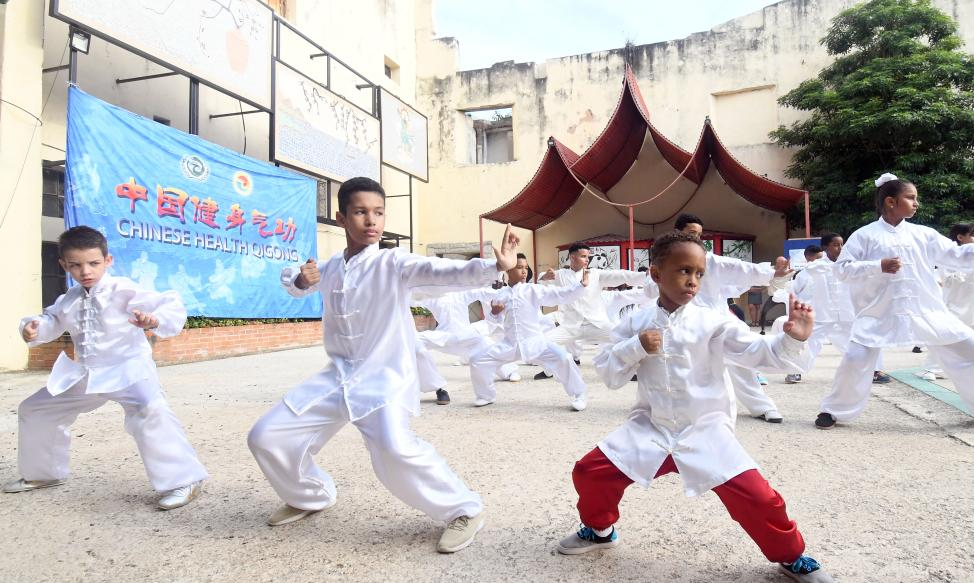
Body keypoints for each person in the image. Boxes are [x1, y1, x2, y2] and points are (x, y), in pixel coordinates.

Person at [246, 177, 520, 553]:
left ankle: (464, 509)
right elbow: (296, 284)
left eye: (378, 213)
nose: (371, 221)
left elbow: (442, 271)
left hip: (383, 379)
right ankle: (309, 495)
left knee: (394, 450)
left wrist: (494, 267)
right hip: (337, 377)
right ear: (341, 218)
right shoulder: (328, 268)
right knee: (266, 435)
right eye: (361, 212)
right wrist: (299, 277)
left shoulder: (393, 263)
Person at [557, 231, 833, 583]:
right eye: (683, 271)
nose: (692, 281)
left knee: (761, 499)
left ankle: (791, 556)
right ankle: (599, 530)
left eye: (699, 273)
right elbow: (608, 372)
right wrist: (636, 347)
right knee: (589, 472)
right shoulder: (635, 323)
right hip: (651, 427)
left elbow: (760, 353)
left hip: (705, 430)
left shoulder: (713, 322)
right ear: (656, 274)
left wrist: (793, 337)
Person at [4, 226, 208, 509]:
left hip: (128, 371)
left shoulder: (124, 289)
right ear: (64, 265)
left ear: (107, 261)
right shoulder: (70, 299)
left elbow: (168, 304)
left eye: (93, 263)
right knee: (36, 409)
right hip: (87, 373)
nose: (85, 271)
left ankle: (185, 481)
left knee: (151, 412)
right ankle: (44, 473)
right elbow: (50, 321)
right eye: (75, 265)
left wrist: (154, 319)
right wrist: (33, 329)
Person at [816, 173, 974, 429]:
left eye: (916, 198)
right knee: (855, 358)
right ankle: (832, 411)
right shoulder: (865, 235)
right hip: (879, 312)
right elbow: (842, 269)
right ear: (891, 201)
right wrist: (878, 265)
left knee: (970, 347)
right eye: (910, 198)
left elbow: (956, 255)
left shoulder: (925, 234)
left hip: (926, 310)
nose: (916, 203)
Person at [663, 213, 787, 423]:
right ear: (678, 233)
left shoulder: (709, 260)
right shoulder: (665, 261)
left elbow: (737, 267)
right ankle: (675, 408)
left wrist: (771, 273)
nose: (697, 238)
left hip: (715, 319)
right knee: (681, 365)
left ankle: (762, 406)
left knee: (741, 361)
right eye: (692, 233)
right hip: (682, 321)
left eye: (700, 235)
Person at [469, 255, 590, 410]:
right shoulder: (500, 294)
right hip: (510, 345)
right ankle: (485, 395)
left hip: (535, 343)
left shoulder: (532, 290)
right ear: (508, 270)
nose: (524, 271)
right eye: (520, 267)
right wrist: (494, 312)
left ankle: (580, 395)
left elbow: (558, 294)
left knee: (564, 358)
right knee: (478, 360)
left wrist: (580, 286)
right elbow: (495, 322)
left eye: (526, 268)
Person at [534, 243, 646, 378]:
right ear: (572, 257)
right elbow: (542, 278)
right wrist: (544, 277)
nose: (587, 260)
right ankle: (549, 371)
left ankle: (630, 371)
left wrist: (645, 275)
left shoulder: (595, 274)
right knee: (541, 343)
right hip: (571, 326)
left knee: (624, 338)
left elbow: (621, 275)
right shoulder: (560, 275)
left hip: (596, 324)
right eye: (583, 256)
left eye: (588, 257)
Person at [412, 285, 521, 405]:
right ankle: (438, 388)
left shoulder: (462, 292)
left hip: (466, 336)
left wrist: (504, 293)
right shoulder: (431, 297)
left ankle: (509, 371)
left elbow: (482, 292)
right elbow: (409, 299)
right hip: (444, 337)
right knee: (415, 342)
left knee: (486, 344)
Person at [917, 222, 974, 380]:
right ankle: (930, 368)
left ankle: (957, 366)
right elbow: (948, 279)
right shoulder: (949, 255)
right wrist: (967, 273)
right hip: (955, 302)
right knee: (946, 335)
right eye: (972, 235)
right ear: (960, 237)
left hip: (971, 303)